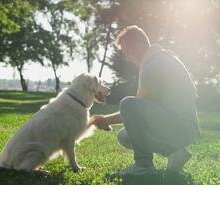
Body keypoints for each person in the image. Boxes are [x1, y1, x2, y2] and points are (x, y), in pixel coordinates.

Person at [90, 25, 201, 176]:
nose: (126, 57)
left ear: (137, 45)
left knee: (127, 103)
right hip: (183, 127)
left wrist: (104, 120)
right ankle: (175, 153)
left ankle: (143, 166)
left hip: (181, 127)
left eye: (126, 51)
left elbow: (133, 110)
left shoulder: (154, 65)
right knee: (125, 136)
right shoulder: (160, 58)